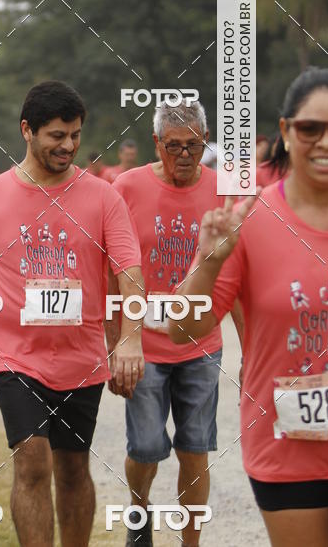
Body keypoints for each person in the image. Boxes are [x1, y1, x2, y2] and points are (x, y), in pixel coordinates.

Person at [0, 80, 145, 547]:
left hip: (80, 359)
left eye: (75, 134)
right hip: (12, 355)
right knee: (32, 461)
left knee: (74, 467)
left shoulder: (103, 196)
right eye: (57, 135)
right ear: (27, 131)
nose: (69, 145)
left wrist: (129, 339)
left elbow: (130, 272)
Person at [170, 67, 328, 547]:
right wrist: (209, 263)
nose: (327, 142)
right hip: (282, 441)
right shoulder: (248, 220)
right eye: (311, 129)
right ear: (288, 133)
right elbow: (183, 330)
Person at [111, 98, 244, 547]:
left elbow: (237, 277)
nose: (184, 155)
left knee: (195, 448)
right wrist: (116, 344)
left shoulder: (225, 191)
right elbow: (114, 274)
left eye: (193, 145)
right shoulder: (126, 187)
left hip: (201, 347)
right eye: (173, 146)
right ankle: (139, 509)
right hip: (145, 346)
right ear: (156, 143)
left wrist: (252, 353)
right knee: (145, 448)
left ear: (205, 142)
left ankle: (191, 542)